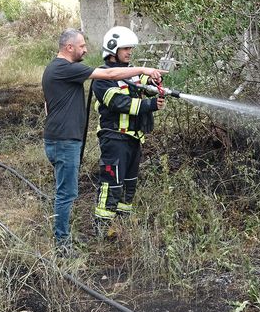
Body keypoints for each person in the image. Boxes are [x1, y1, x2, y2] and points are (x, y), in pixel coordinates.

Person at [42, 28, 167, 255]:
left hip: (66, 139)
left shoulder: (57, 70)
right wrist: (144, 71)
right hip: (68, 141)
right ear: (69, 47)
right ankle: (62, 245)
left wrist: (151, 79)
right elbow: (109, 78)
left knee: (71, 190)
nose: (86, 49)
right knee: (66, 193)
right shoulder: (64, 68)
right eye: (81, 46)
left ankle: (71, 236)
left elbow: (48, 105)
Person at [92, 26, 165, 235]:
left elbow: (144, 82)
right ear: (113, 50)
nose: (129, 52)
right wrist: (151, 105)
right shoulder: (102, 78)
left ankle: (123, 224)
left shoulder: (131, 74)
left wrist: (155, 80)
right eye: (125, 48)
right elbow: (120, 103)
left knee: (130, 184)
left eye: (130, 48)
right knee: (111, 183)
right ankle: (103, 228)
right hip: (114, 139)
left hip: (133, 139)